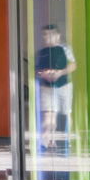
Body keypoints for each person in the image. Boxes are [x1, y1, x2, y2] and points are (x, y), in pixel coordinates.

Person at [35, 23, 75, 151]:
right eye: (45, 34)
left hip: (64, 85)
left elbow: (72, 65)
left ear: (57, 35)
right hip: (47, 86)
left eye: (50, 34)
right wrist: (44, 75)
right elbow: (37, 70)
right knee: (48, 113)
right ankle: (46, 140)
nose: (47, 37)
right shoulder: (41, 52)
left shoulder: (65, 49)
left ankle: (65, 139)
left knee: (65, 112)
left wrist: (60, 73)